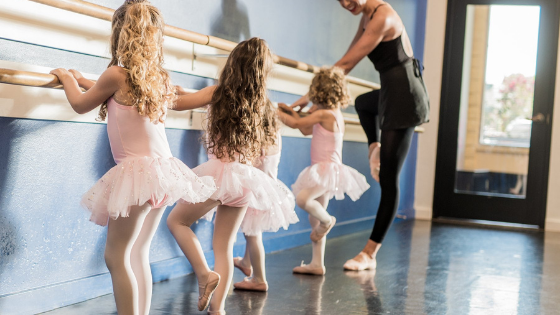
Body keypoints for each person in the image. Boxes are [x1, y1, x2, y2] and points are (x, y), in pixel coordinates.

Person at [50, 1, 216, 314]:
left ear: (120, 36)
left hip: (137, 176)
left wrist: (66, 77)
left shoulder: (115, 74)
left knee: (115, 256)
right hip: (163, 175)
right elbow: (105, 92)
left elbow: (80, 104)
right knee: (138, 251)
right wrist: (87, 81)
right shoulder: (158, 79)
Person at [292, 0, 429, 271]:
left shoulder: (383, 16)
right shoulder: (366, 16)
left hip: (405, 97)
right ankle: (374, 145)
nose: (345, 3)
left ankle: (370, 253)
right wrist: (310, 101)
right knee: (364, 104)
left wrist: (307, 100)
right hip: (391, 92)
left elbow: (345, 63)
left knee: (389, 178)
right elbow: (346, 62)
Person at [166, 38, 296, 315]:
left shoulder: (217, 92)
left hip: (218, 174)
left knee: (176, 221)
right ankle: (218, 310)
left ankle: (204, 272)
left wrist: (172, 92)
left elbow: (176, 105)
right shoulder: (260, 104)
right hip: (245, 180)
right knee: (224, 245)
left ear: (232, 64)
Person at [278, 67, 370, 275]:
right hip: (324, 171)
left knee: (302, 200)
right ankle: (317, 264)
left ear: (318, 92)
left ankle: (328, 221)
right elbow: (304, 128)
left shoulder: (324, 114)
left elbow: (295, 125)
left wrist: (274, 110)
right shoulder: (331, 114)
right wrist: (291, 112)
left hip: (326, 170)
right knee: (314, 219)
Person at [233, 103, 299, 292]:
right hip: (272, 190)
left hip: (257, 193)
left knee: (253, 235)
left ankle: (259, 279)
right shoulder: (275, 134)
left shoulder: (257, 138)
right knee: (252, 229)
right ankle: (246, 261)